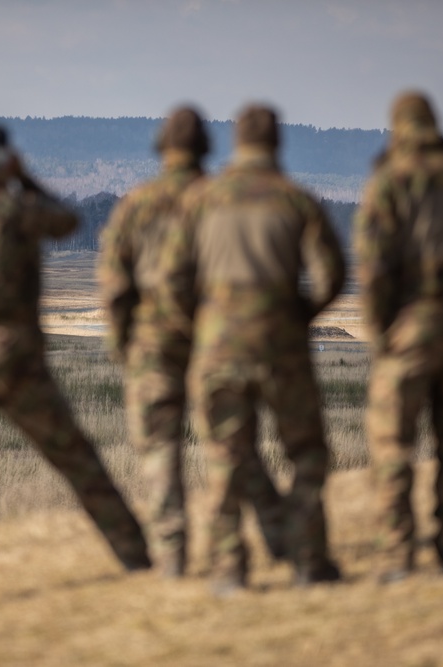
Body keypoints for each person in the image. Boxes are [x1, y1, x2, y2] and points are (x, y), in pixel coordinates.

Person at [0, 124, 150, 605]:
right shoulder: (22, 210)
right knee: (75, 458)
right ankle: (136, 558)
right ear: (7, 163)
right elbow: (68, 221)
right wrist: (27, 179)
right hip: (14, 357)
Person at [160, 104, 346, 594]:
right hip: (282, 345)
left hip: (218, 347)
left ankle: (229, 568)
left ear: (235, 142)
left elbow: (171, 278)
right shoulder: (296, 200)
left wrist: (200, 325)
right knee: (304, 452)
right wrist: (297, 315)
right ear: (278, 143)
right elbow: (332, 274)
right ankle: (309, 560)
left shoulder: (203, 200)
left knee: (226, 452)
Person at [98, 106, 287, 577]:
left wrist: (124, 344)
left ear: (162, 147)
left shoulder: (137, 204)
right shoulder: (219, 199)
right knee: (233, 445)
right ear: (207, 148)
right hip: (216, 339)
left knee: (160, 452)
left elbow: (115, 284)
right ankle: (282, 539)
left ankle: (172, 556)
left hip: (153, 344)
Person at [355, 92, 443, 580]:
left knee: (393, 443)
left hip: (411, 327)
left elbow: (372, 267)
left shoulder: (393, 180)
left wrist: (380, 332)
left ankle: (398, 551)